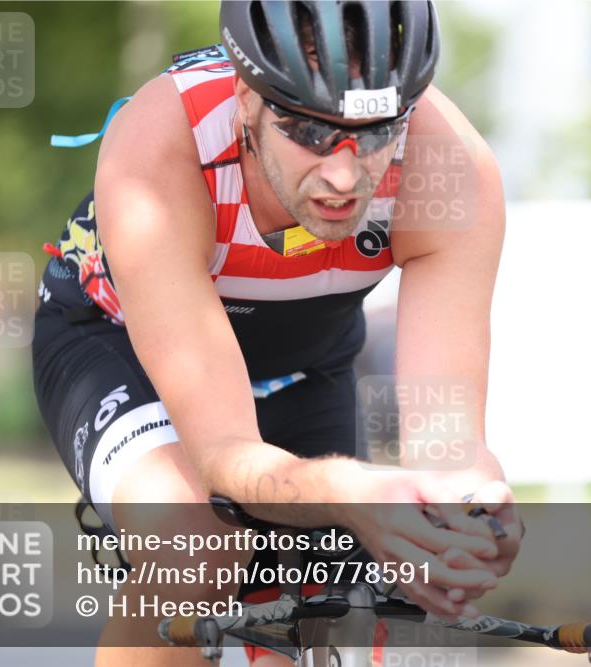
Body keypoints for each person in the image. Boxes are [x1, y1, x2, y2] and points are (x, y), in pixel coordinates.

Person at [32, 1, 520, 665]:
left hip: (306, 362)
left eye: (376, 131)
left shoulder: (450, 168)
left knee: (341, 603)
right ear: (246, 98)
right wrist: (349, 493)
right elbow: (224, 456)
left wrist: (468, 514)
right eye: (310, 131)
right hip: (117, 343)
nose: (345, 174)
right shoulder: (162, 145)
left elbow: (450, 445)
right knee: (196, 542)